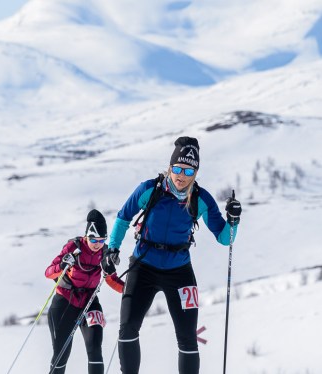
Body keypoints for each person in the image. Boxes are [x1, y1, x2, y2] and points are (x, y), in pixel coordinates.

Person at [104, 136, 242, 374]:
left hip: (179, 272)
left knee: (188, 338)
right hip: (143, 266)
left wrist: (234, 220)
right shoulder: (149, 190)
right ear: (170, 167)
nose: (181, 175)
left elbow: (224, 238)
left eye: (188, 171)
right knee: (128, 328)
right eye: (177, 168)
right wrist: (112, 247)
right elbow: (123, 216)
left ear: (195, 173)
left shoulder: (201, 199)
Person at [45, 209, 125, 374]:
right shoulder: (73, 247)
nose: (97, 244)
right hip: (65, 302)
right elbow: (49, 272)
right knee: (61, 353)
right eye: (93, 239)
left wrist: (129, 290)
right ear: (86, 236)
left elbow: (112, 280)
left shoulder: (104, 252)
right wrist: (62, 265)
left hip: (90, 302)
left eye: (102, 240)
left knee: (95, 349)